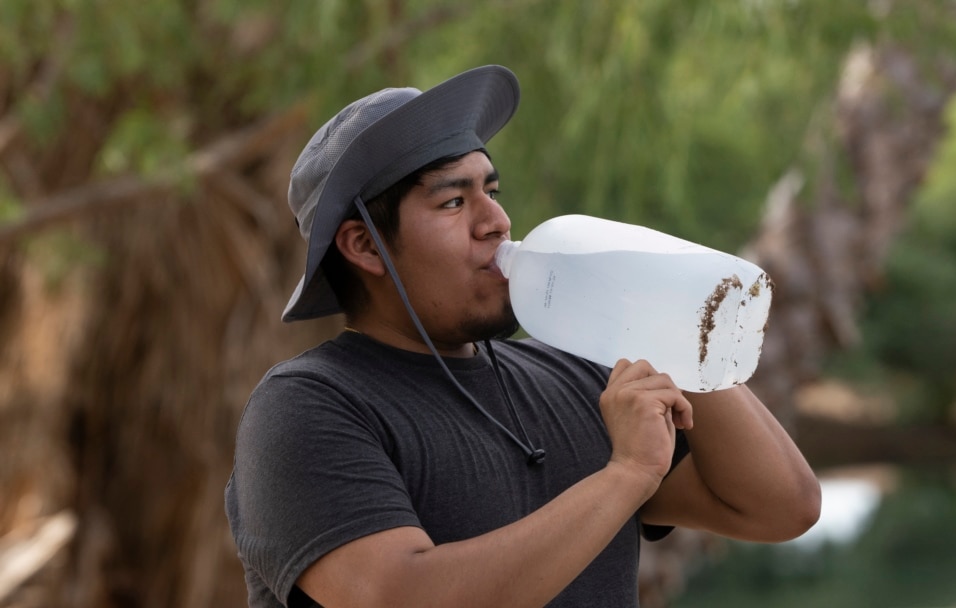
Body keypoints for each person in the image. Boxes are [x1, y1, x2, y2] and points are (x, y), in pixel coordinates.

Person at [225, 65, 820, 608]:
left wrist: (668, 318)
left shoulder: (581, 379)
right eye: (454, 201)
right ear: (363, 246)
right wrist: (626, 475)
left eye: (493, 192)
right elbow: (395, 596)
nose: (497, 221)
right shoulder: (308, 406)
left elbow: (782, 506)